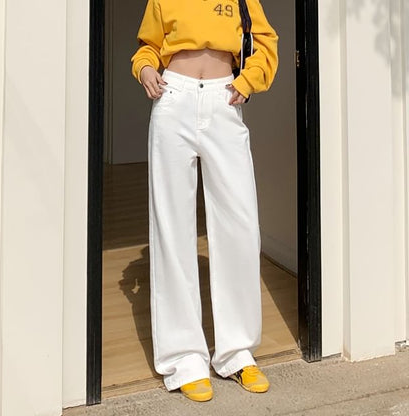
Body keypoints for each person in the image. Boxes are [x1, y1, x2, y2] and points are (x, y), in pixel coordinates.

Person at [130, 0, 278, 402]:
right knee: (172, 228)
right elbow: (148, 47)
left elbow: (265, 42)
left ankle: (237, 352)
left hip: (223, 99)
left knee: (240, 226)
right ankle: (184, 359)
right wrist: (145, 69)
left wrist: (247, 81)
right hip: (173, 99)